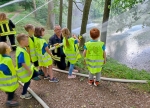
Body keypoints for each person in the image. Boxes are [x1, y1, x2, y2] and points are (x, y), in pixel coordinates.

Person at [16, 33, 39, 99]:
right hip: (24, 71)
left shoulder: (21, 48)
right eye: (27, 41)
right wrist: (29, 71)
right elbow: (22, 62)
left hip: (27, 69)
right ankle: (23, 94)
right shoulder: (21, 51)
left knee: (36, 73)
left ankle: (34, 75)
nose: (28, 42)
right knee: (27, 82)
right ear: (22, 41)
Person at [0, 42, 19, 107]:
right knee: (12, 88)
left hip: (3, 77)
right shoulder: (7, 59)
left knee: (9, 88)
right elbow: (3, 67)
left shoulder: (1, 56)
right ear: (6, 50)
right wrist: (8, 73)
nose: (9, 46)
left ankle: (8, 92)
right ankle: (9, 100)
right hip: (9, 78)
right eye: (8, 46)